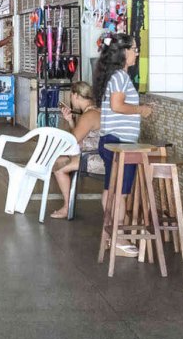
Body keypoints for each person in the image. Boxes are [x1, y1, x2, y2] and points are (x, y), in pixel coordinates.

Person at [94, 33, 152, 255]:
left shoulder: (114, 76)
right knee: (120, 194)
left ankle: (110, 235)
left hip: (111, 141)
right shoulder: (120, 76)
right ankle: (117, 240)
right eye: (134, 49)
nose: (136, 53)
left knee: (111, 191)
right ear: (123, 52)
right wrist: (141, 110)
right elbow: (118, 106)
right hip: (121, 144)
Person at [49, 81, 104, 219]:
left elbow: (73, 141)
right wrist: (70, 120)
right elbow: (79, 139)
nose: (71, 100)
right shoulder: (94, 111)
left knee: (58, 167)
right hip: (96, 155)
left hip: (96, 159)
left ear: (76, 96)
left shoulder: (89, 115)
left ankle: (68, 207)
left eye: (71, 96)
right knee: (59, 161)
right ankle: (68, 205)